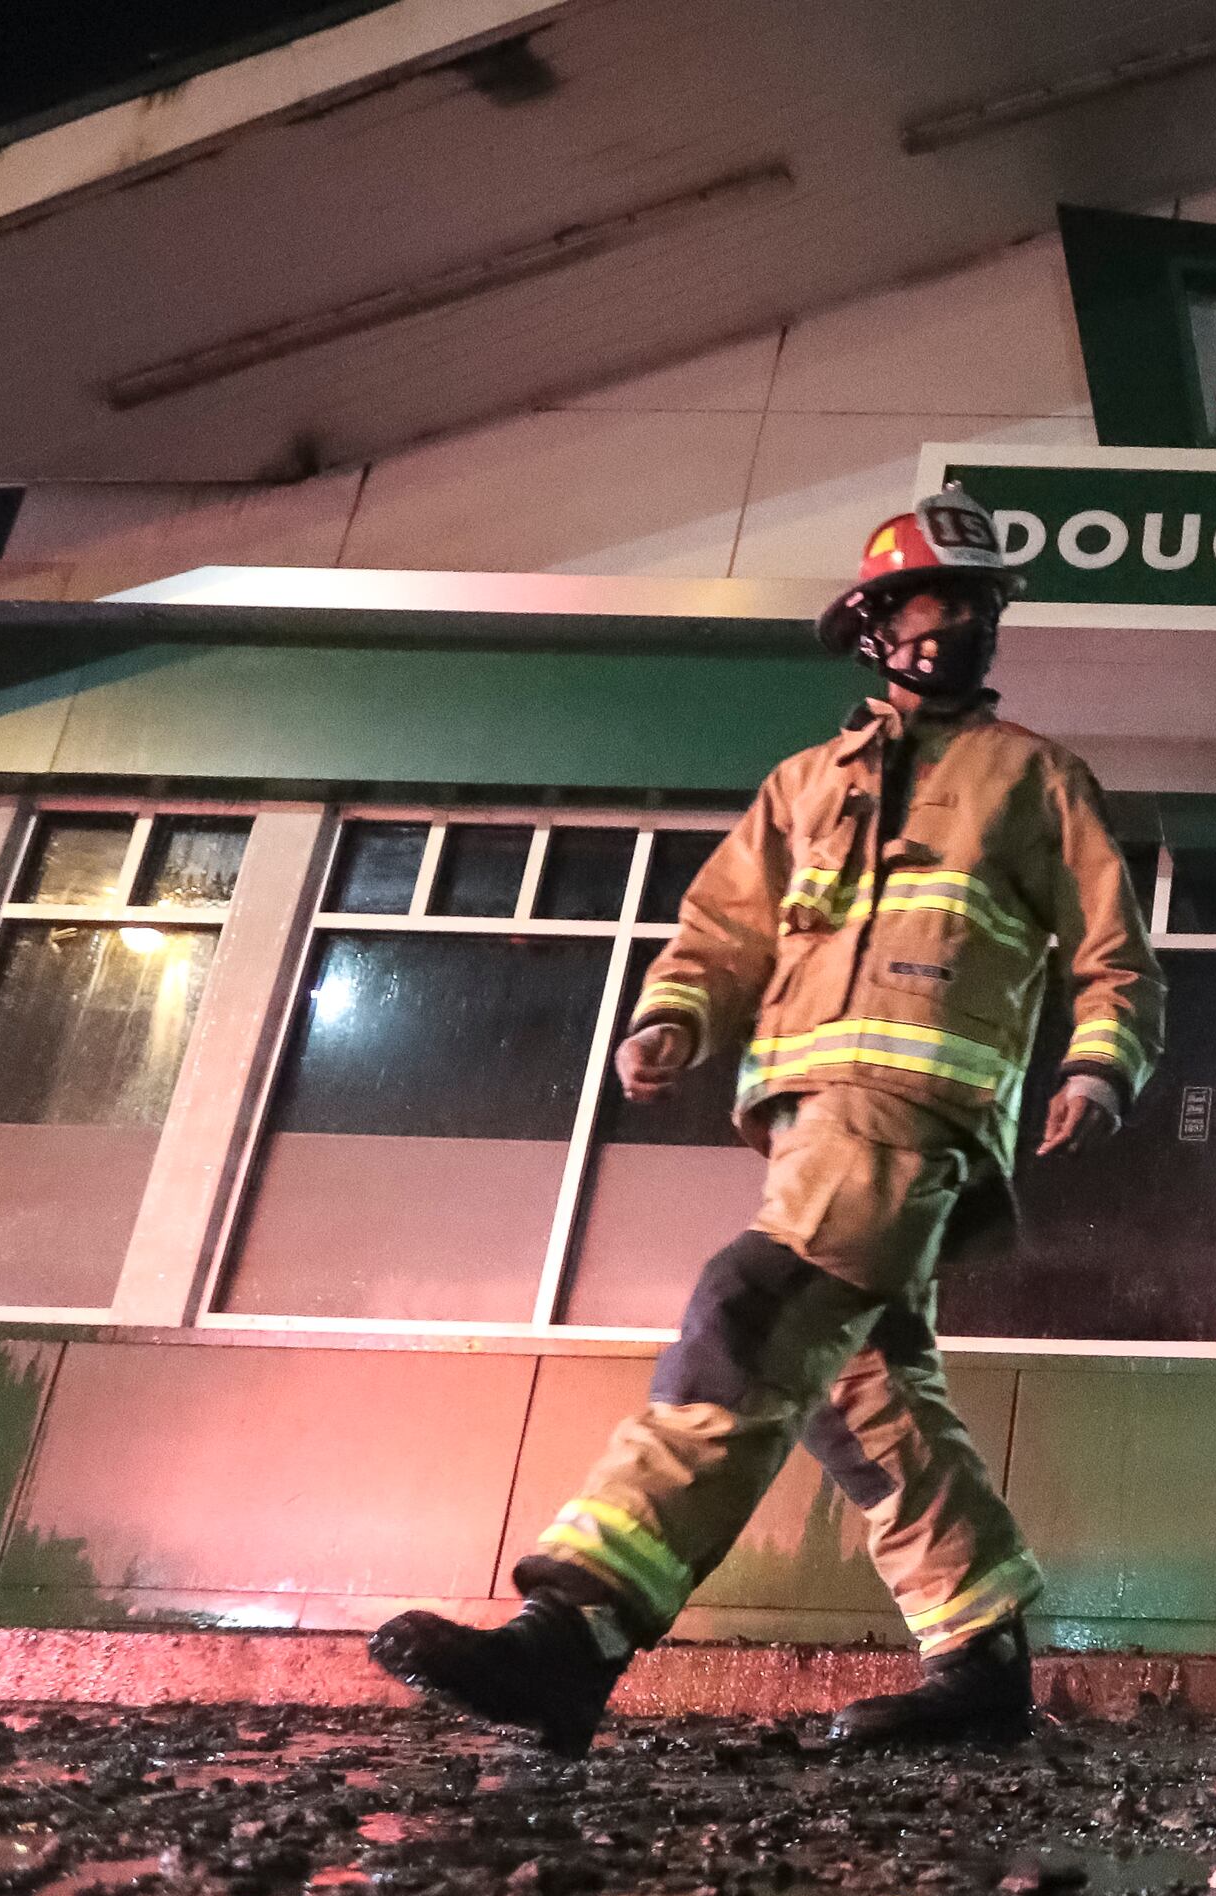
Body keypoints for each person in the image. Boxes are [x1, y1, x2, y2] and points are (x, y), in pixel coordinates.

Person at [369, 485, 1162, 1753]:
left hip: (918, 1118)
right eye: (931, 604)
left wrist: (1097, 1070)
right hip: (805, 1124)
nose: (957, 627)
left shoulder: (1035, 779)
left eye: (976, 607)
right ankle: (982, 1657)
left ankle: (579, 1629)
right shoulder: (802, 786)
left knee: (752, 1311)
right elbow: (723, 927)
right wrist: (670, 1018)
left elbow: (1116, 952)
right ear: (874, 625)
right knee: (864, 1391)